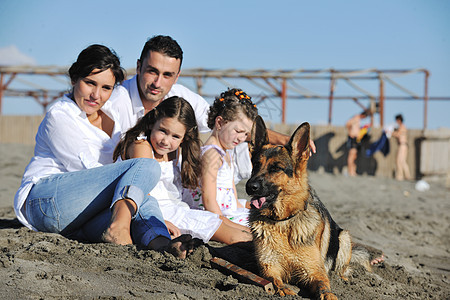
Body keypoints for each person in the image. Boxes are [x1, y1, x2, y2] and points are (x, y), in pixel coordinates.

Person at [13, 45, 193, 258]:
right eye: (90, 83)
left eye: (106, 88)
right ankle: (120, 226)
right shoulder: (59, 116)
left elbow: (123, 183)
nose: (96, 95)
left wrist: (155, 214)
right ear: (74, 78)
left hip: (81, 215)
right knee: (145, 167)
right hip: (46, 203)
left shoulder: (112, 116)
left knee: (143, 202)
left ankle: (162, 245)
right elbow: (86, 168)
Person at [109, 35, 314, 183]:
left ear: (177, 75)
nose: (157, 82)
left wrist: (286, 141)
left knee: (229, 138)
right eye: (152, 71)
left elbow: (227, 123)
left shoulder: (181, 96)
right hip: (129, 183)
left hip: (174, 185)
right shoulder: (116, 101)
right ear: (138, 67)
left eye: (167, 75)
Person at [113, 96, 253, 245]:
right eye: (162, 131)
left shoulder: (176, 152)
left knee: (223, 221)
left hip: (178, 210)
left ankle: (268, 241)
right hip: (156, 213)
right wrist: (160, 221)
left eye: (175, 136)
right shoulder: (141, 146)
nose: (166, 141)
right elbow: (140, 192)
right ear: (152, 123)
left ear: (184, 137)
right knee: (229, 234)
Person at [186, 89, 257, 226]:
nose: (241, 138)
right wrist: (228, 227)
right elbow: (209, 201)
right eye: (238, 131)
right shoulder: (212, 155)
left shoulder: (227, 152)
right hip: (216, 216)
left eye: (245, 134)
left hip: (228, 212)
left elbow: (233, 199)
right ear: (219, 123)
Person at [345, 111, 369, 176]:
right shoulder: (356, 117)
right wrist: (350, 132)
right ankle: (350, 171)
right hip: (353, 138)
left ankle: (353, 171)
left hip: (356, 139)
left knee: (354, 156)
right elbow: (347, 124)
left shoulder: (358, 119)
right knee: (352, 155)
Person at [392, 114, 411, 181]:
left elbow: (398, 134)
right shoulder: (401, 127)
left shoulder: (402, 127)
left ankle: (400, 176)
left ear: (399, 120)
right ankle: (406, 176)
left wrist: (391, 132)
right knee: (402, 161)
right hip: (402, 145)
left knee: (400, 161)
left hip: (403, 145)